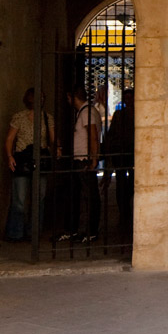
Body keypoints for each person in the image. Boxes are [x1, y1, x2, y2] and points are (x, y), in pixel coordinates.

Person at [3, 88, 52, 243]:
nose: (40, 101)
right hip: (22, 158)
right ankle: (15, 233)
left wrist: (57, 148)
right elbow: (10, 139)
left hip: (40, 159)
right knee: (19, 199)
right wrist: (10, 156)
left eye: (42, 97)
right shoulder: (19, 117)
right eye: (37, 97)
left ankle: (34, 232)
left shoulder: (47, 118)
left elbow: (53, 138)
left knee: (40, 197)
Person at [58, 85, 104, 240]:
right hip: (81, 158)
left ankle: (90, 232)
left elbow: (93, 136)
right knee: (81, 194)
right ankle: (78, 230)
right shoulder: (87, 111)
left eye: (68, 97)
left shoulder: (87, 113)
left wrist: (92, 158)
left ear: (72, 97)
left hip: (84, 159)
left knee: (89, 196)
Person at [101, 86, 136, 236]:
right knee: (121, 184)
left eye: (130, 98)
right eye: (126, 98)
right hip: (121, 154)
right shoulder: (119, 115)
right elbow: (111, 135)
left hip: (134, 154)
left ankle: (130, 210)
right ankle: (124, 212)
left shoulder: (139, 114)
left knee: (133, 183)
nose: (128, 101)